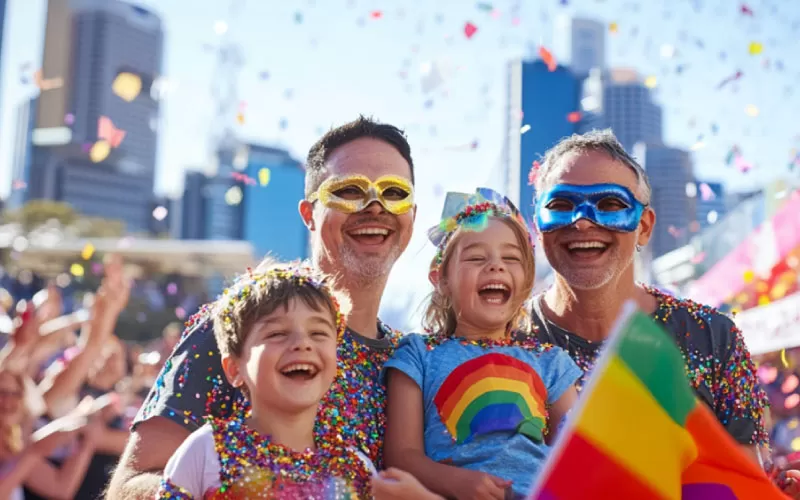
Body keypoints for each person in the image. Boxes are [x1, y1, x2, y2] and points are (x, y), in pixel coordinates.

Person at [107, 116, 417, 498]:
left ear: (412, 217)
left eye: (394, 192)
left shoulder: (413, 363)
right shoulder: (240, 324)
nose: (374, 206)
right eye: (350, 190)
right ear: (309, 214)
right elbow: (130, 485)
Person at [528, 129, 798, 491]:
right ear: (537, 226)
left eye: (609, 204)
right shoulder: (500, 337)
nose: (582, 221)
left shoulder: (714, 336)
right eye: (561, 204)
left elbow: (743, 480)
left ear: (644, 227)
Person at [384, 189, 581, 500]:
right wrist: (456, 482)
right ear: (441, 279)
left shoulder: (551, 363)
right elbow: (401, 456)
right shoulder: (418, 355)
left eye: (511, 258)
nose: (496, 266)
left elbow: (575, 462)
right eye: (476, 257)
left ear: (526, 281)